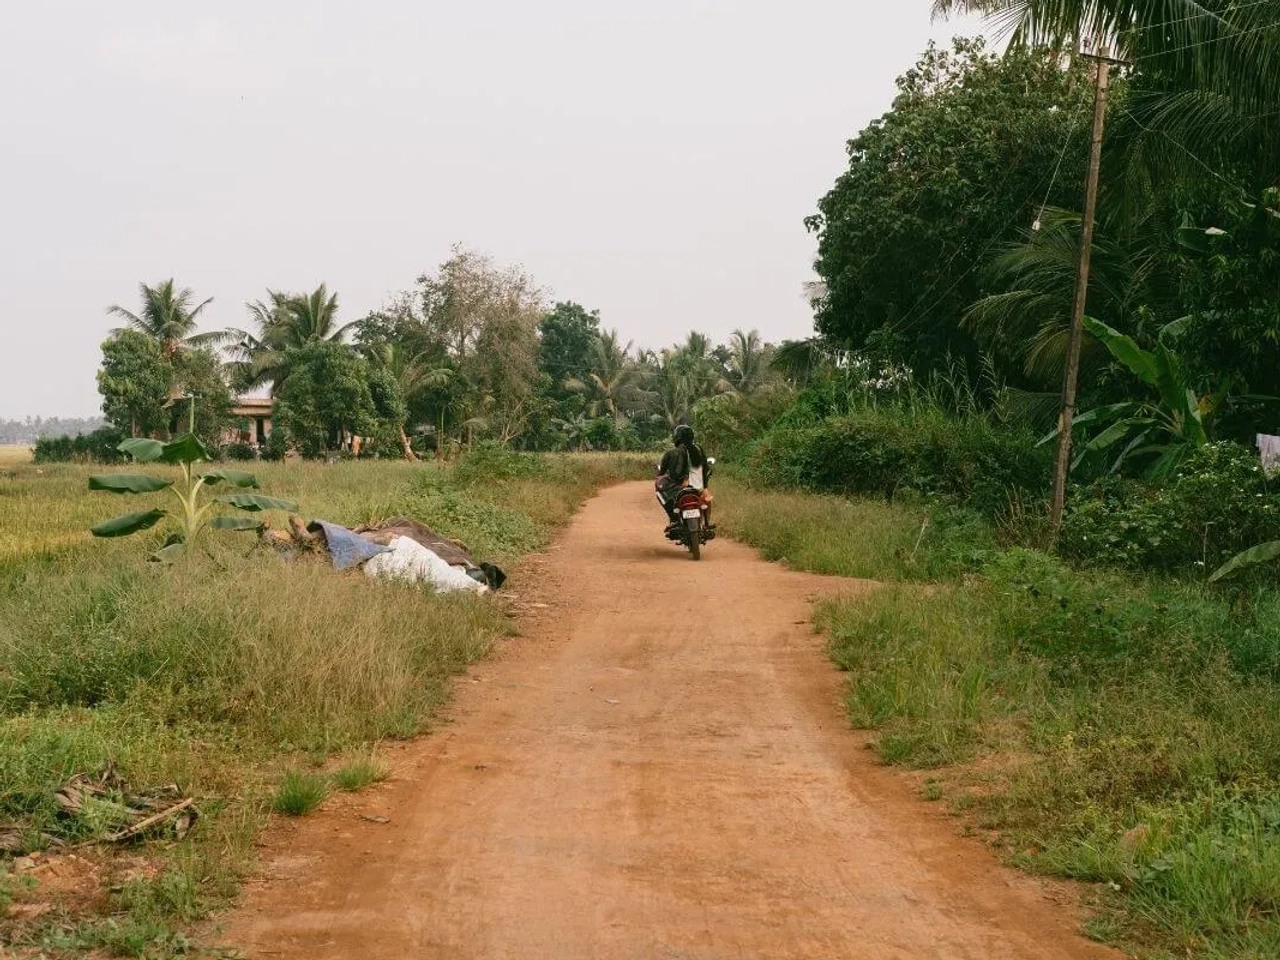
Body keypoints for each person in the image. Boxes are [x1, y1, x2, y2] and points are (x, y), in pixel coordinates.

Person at [656, 424, 713, 533]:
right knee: (707, 499)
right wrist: (705, 487)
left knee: (659, 491)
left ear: (677, 437)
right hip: (698, 488)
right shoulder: (699, 449)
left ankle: (674, 519)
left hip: (680, 488)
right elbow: (705, 469)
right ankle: (707, 523)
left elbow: (663, 473)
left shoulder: (671, 453)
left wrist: (661, 477)